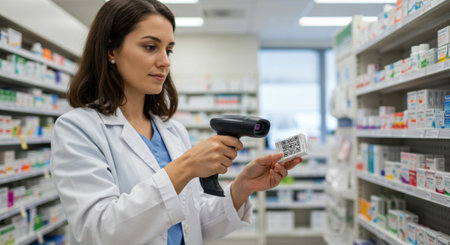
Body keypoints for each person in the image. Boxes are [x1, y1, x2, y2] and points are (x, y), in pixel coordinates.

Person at [50, 0, 302, 244]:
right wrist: (187, 166)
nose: (165, 61)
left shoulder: (172, 131)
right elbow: (100, 231)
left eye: (168, 50)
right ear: (111, 50)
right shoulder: (77, 130)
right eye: (150, 47)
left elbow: (192, 225)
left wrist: (242, 187)